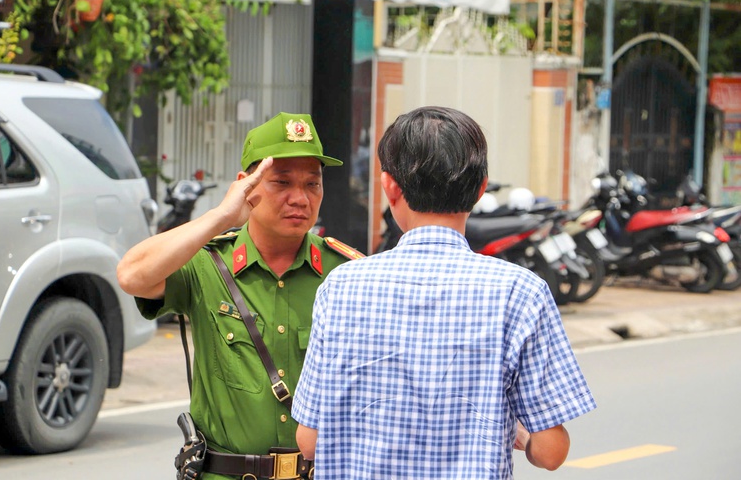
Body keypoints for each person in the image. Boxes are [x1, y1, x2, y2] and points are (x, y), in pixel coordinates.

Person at [292, 106, 597, 479]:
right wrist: (518, 433)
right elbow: (551, 452)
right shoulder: (521, 293)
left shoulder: (340, 287)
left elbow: (309, 439)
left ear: (389, 186)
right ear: (480, 189)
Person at [117, 112, 364, 480]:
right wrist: (221, 216)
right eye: (281, 182)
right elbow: (132, 275)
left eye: (312, 184)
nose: (300, 198)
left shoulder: (345, 272)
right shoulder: (207, 264)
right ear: (246, 185)